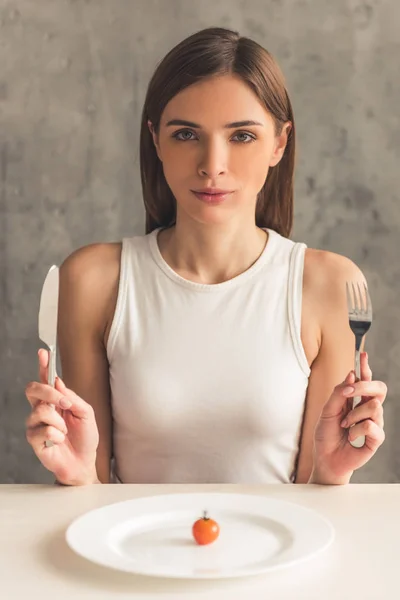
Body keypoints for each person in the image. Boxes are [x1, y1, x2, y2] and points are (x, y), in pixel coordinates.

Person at [25, 27, 387, 486]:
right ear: (156, 140)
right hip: (132, 554)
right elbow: (89, 496)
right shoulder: (94, 280)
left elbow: (315, 510)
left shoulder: (330, 286)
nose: (212, 164)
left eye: (241, 136)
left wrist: (332, 476)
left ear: (280, 143)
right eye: (186, 134)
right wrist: (74, 477)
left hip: (278, 554)